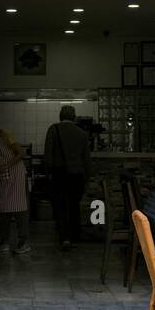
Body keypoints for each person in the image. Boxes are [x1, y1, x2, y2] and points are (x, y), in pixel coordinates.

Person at [0, 115, 31, 255]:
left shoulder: (6, 135)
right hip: (3, 176)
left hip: (16, 174)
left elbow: (21, 153)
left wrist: (7, 165)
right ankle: (4, 241)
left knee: (20, 208)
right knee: (3, 208)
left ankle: (24, 242)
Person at [44, 105, 91, 249]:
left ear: (60, 115)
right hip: (77, 175)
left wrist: (48, 173)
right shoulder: (82, 133)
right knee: (74, 205)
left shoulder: (53, 129)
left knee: (60, 206)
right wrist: (86, 177)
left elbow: (48, 154)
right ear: (74, 116)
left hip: (59, 173)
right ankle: (75, 235)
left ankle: (64, 237)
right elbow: (86, 159)